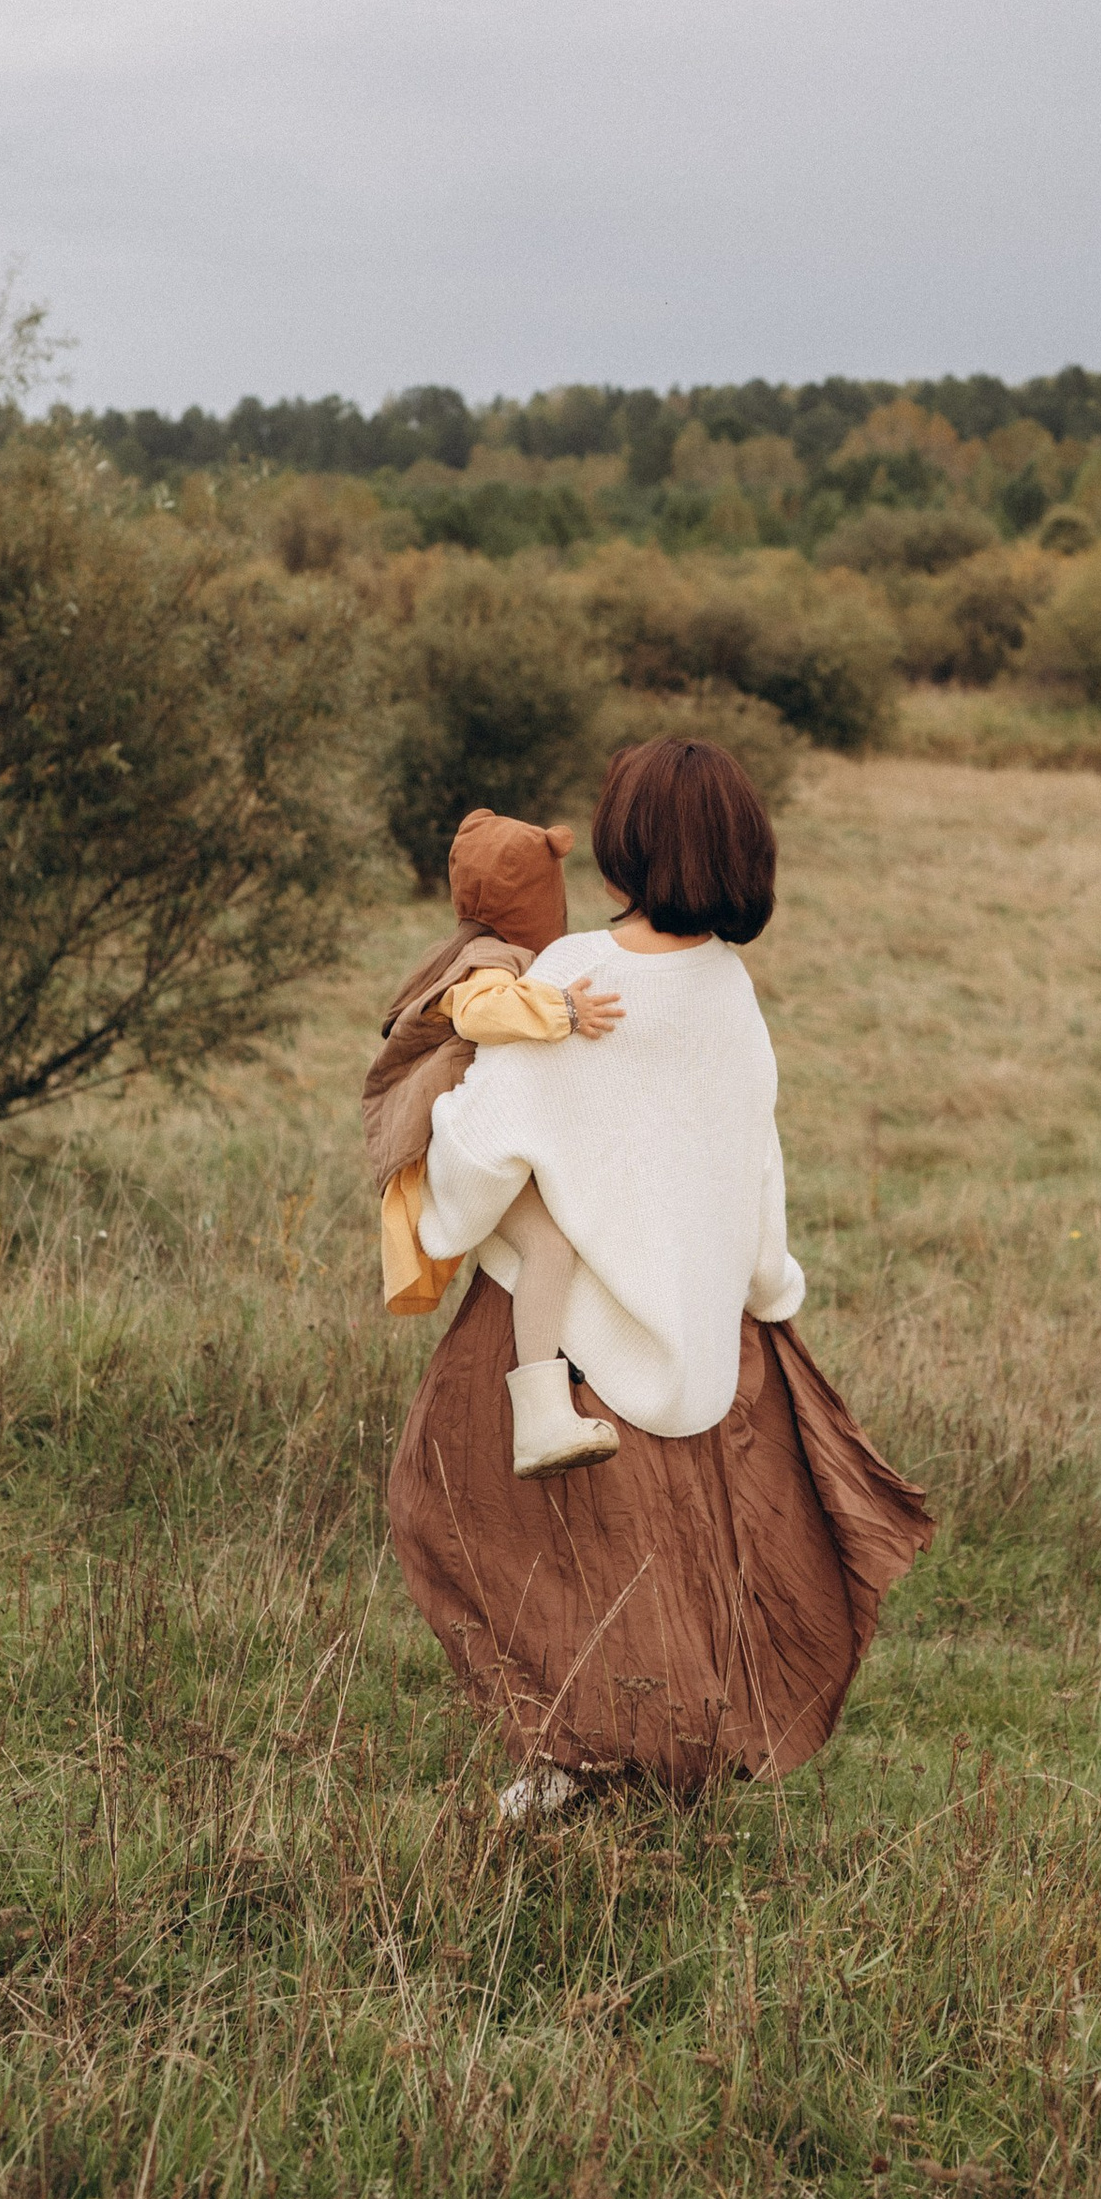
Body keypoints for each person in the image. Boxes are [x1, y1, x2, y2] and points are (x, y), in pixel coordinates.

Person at [387, 736, 935, 1812]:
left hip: (558, 1319)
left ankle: (574, 1758)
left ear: (621, 844)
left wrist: (430, 1134)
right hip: (695, 1318)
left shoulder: (570, 971)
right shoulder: (729, 988)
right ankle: (626, 1758)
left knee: (461, 1512)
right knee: (651, 1549)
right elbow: (752, 1156)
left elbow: (489, 1146)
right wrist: (767, 1291)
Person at [364, 808, 628, 1477]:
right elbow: (481, 1012)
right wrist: (562, 1011)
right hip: (457, 1148)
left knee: (559, 1231)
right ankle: (540, 1422)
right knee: (548, 1244)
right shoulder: (489, 959)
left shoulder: (467, 948)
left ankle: (557, 1382)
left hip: (466, 1139)